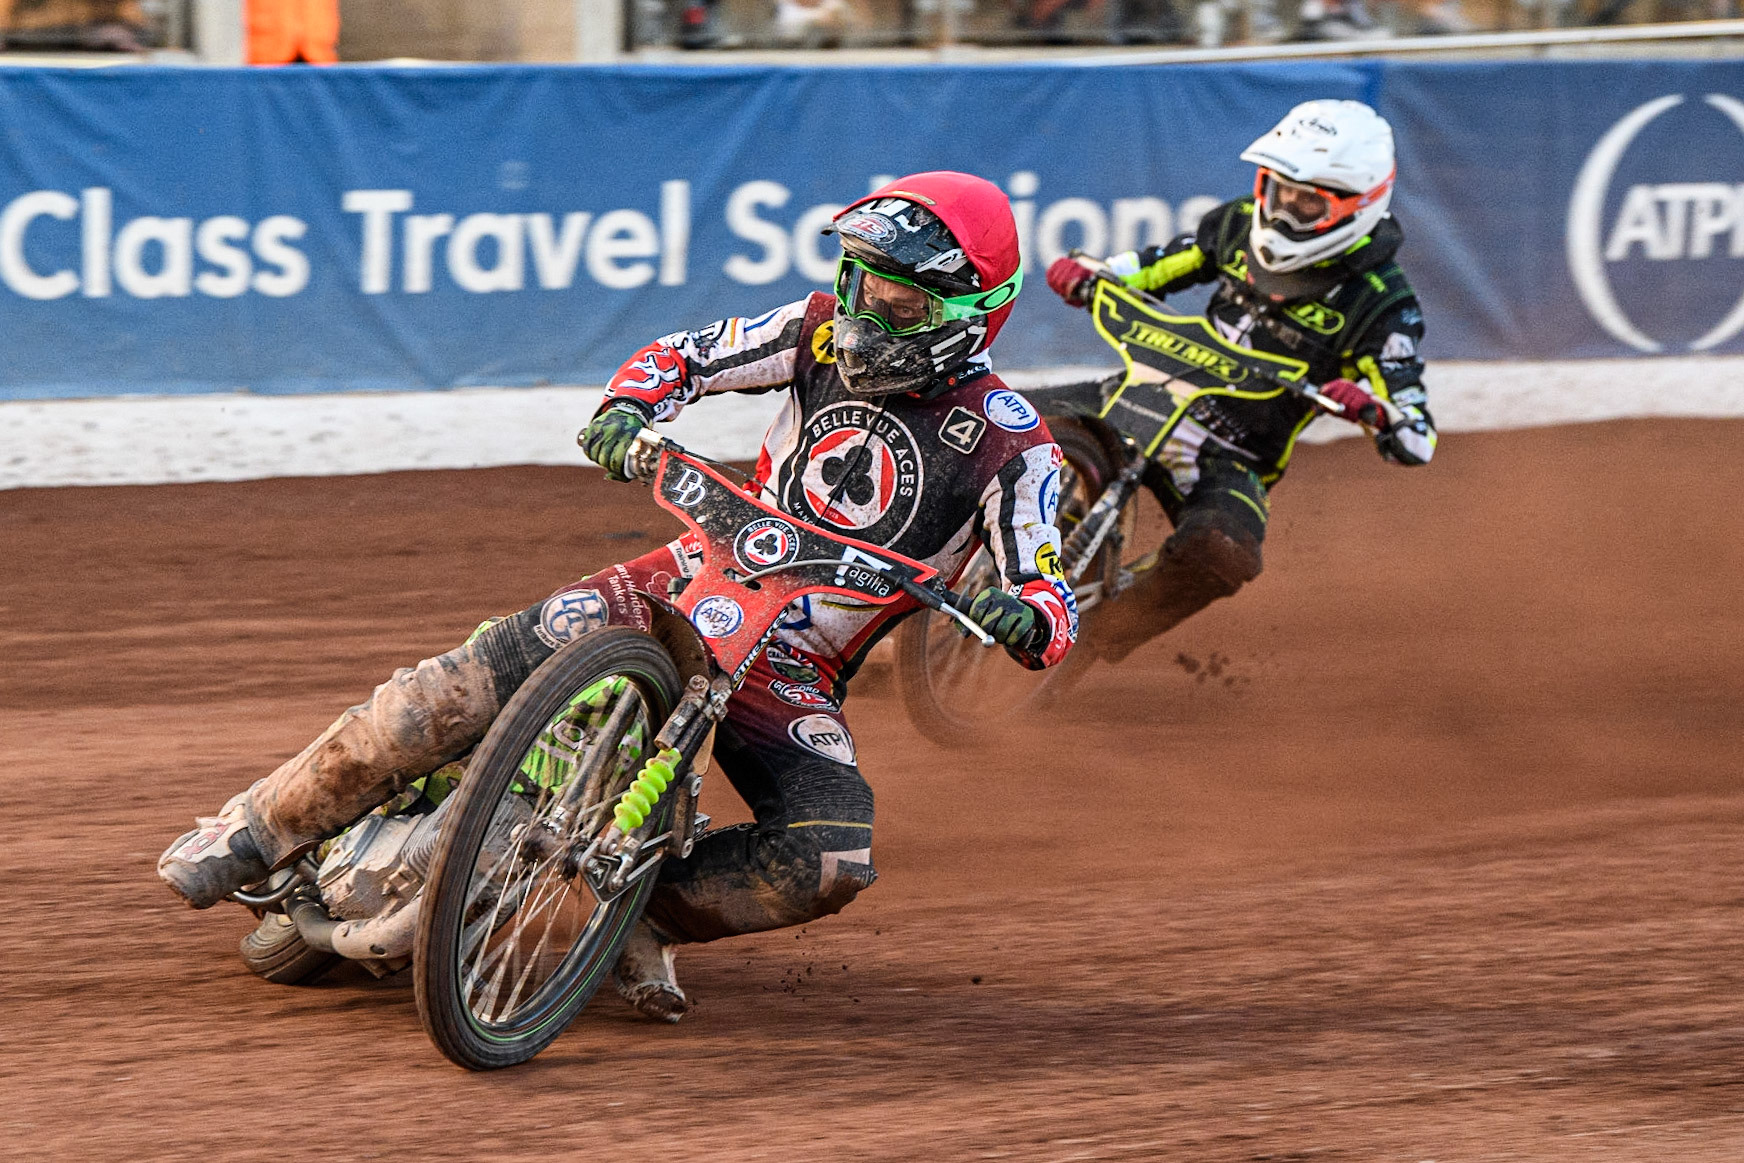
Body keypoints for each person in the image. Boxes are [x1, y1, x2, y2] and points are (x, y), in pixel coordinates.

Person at [158, 171, 1077, 1023]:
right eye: (863, 281)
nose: (868, 310)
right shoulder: (813, 330)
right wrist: (629, 408)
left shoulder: (1014, 445)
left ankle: (640, 909)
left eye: (901, 300)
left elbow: (1051, 597)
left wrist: (1023, 617)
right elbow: (685, 355)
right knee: (466, 679)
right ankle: (257, 824)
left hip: (790, 666)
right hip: (682, 577)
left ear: (972, 314)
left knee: (831, 855)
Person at [1044, 99, 1436, 662]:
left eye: (1308, 202)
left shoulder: (1383, 304)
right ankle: (944, 571)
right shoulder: (1237, 224)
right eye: (1278, 191)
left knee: (1224, 552)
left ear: (1360, 205)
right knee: (1004, 421)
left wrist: (1372, 407)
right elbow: (1153, 265)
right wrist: (1092, 271)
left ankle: (1091, 640)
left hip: (1234, 451)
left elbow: (1417, 438)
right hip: (1150, 390)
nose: (1284, 212)